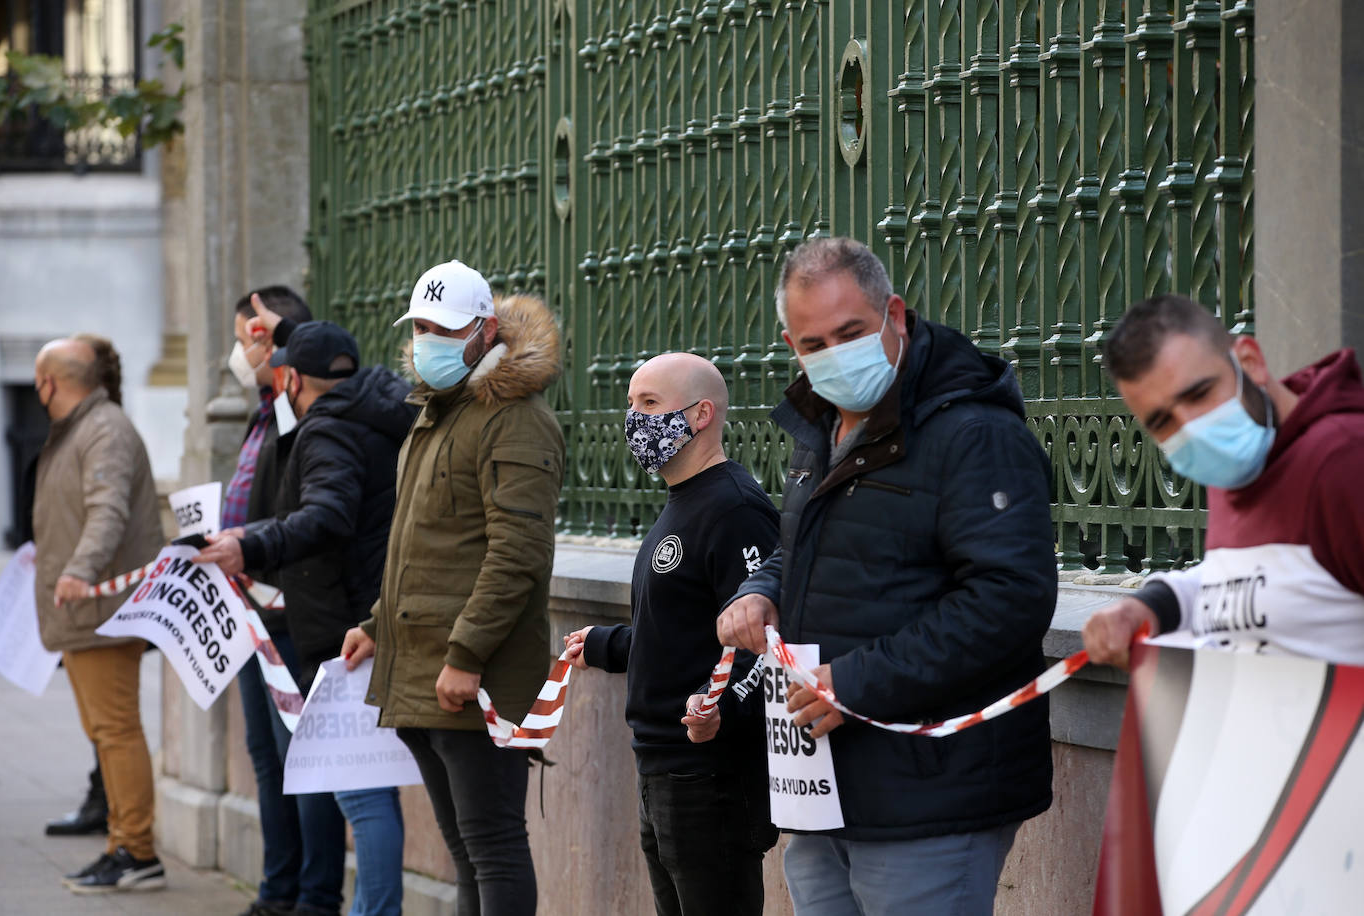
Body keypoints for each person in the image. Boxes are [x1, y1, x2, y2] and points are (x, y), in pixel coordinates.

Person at [716, 238, 1057, 915]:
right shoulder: (823, 428)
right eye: (814, 344)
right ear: (791, 344)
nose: (834, 356)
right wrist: (762, 592)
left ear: (895, 315)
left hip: (931, 793)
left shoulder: (973, 434)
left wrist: (857, 685)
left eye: (851, 332)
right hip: (821, 789)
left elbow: (1010, 597)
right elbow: (819, 552)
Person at [341, 260, 565, 916]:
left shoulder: (514, 419)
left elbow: (517, 554)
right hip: (423, 669)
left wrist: (467, 655)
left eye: (446, 329)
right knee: (466, 850)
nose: (429, 340)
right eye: (421, 328)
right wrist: (375, 623)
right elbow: (420, 546)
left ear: (486, 330)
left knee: (492, 845)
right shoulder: (440, 413)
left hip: (471, 674)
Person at [199, 320, 416, 916]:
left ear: (292, 378)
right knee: (369, 787)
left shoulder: (328, 430)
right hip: (372, 616)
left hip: (347, 629)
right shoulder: (378, 414)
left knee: (362, 792)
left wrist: (251, 544)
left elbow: (327, 515)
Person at [561, 353, 779, 916]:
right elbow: (683, 629)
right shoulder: (680, 506)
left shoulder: (734, 508)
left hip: (709, 777)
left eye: (650, 404)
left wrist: (723, 711)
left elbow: (767, 640)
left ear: (701, 414)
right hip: (660, 766)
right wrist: (606, 645)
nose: (634, 419)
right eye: (631, 404)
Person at [1081, 295, 1364, 668]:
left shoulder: (1344, 460)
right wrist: (1147, 606)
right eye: (1162, 422)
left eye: (1199, 394)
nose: (1193, 428)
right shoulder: (1238, 463)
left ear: (1250, 362)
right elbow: (1252, 579)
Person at [32, 335, 166, 893]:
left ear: (48, 384)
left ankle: (136, 849)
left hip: (102, 610)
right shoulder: (88, 426)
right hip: (87, 613)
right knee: (104, 730)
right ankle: (120, 843)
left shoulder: (103, 428)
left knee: (115, 730)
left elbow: (106, 510)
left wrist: (79, 571)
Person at [222, 286, 333, 916]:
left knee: (302, 760)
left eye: (249, 339)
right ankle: (278, 890)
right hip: (248, 608)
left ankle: (314, 897)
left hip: (289, 611)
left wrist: (284, 337)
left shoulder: (299, 406)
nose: (241, 353)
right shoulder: (263, 409)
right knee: (267, 758)